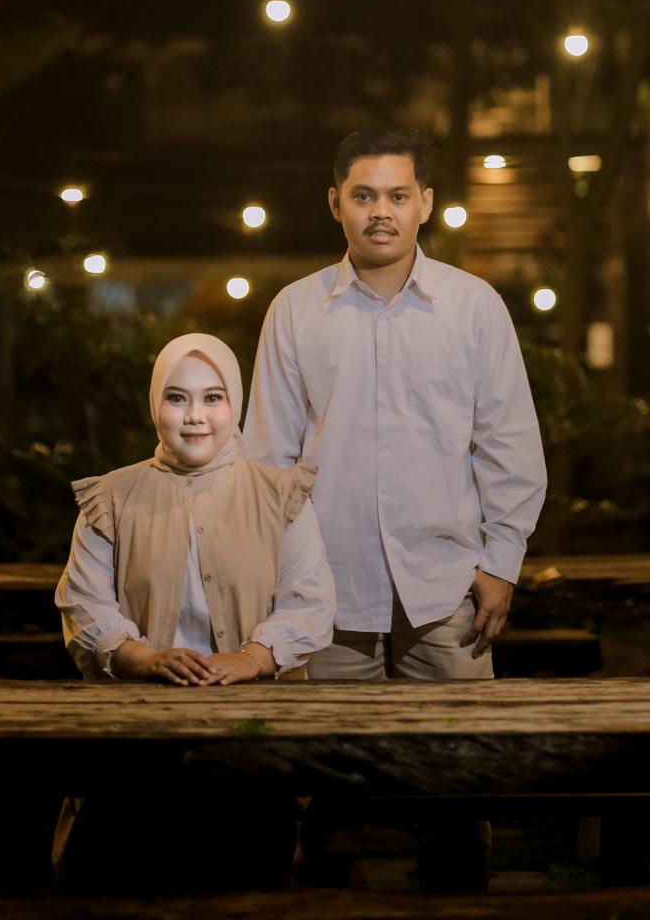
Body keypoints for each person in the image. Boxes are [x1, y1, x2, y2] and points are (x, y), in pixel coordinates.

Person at [243, 129, 547, 890]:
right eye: (365, 195)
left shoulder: (474, 308)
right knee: (330, 796)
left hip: (446, 590)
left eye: (398, 195)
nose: (382, 211)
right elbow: (267, 460)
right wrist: (280, 580)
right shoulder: (295, 310)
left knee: (455, 795)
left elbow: (509, 445)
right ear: (335, 203)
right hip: (327, 590)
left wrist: (501, 563)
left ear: (426, 204)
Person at [54, 331, 335, 889]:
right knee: (121, 881)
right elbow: (85, 605)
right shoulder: (112, 497)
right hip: (137, 737)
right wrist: (143, 658)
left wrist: (249, 659)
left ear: (235, 404)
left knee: (246, 881)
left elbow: (309, 602)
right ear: (154, 404)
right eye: (177, 397)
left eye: (213, 397)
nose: (195, 416)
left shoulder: (280, 496)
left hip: (254, 739)